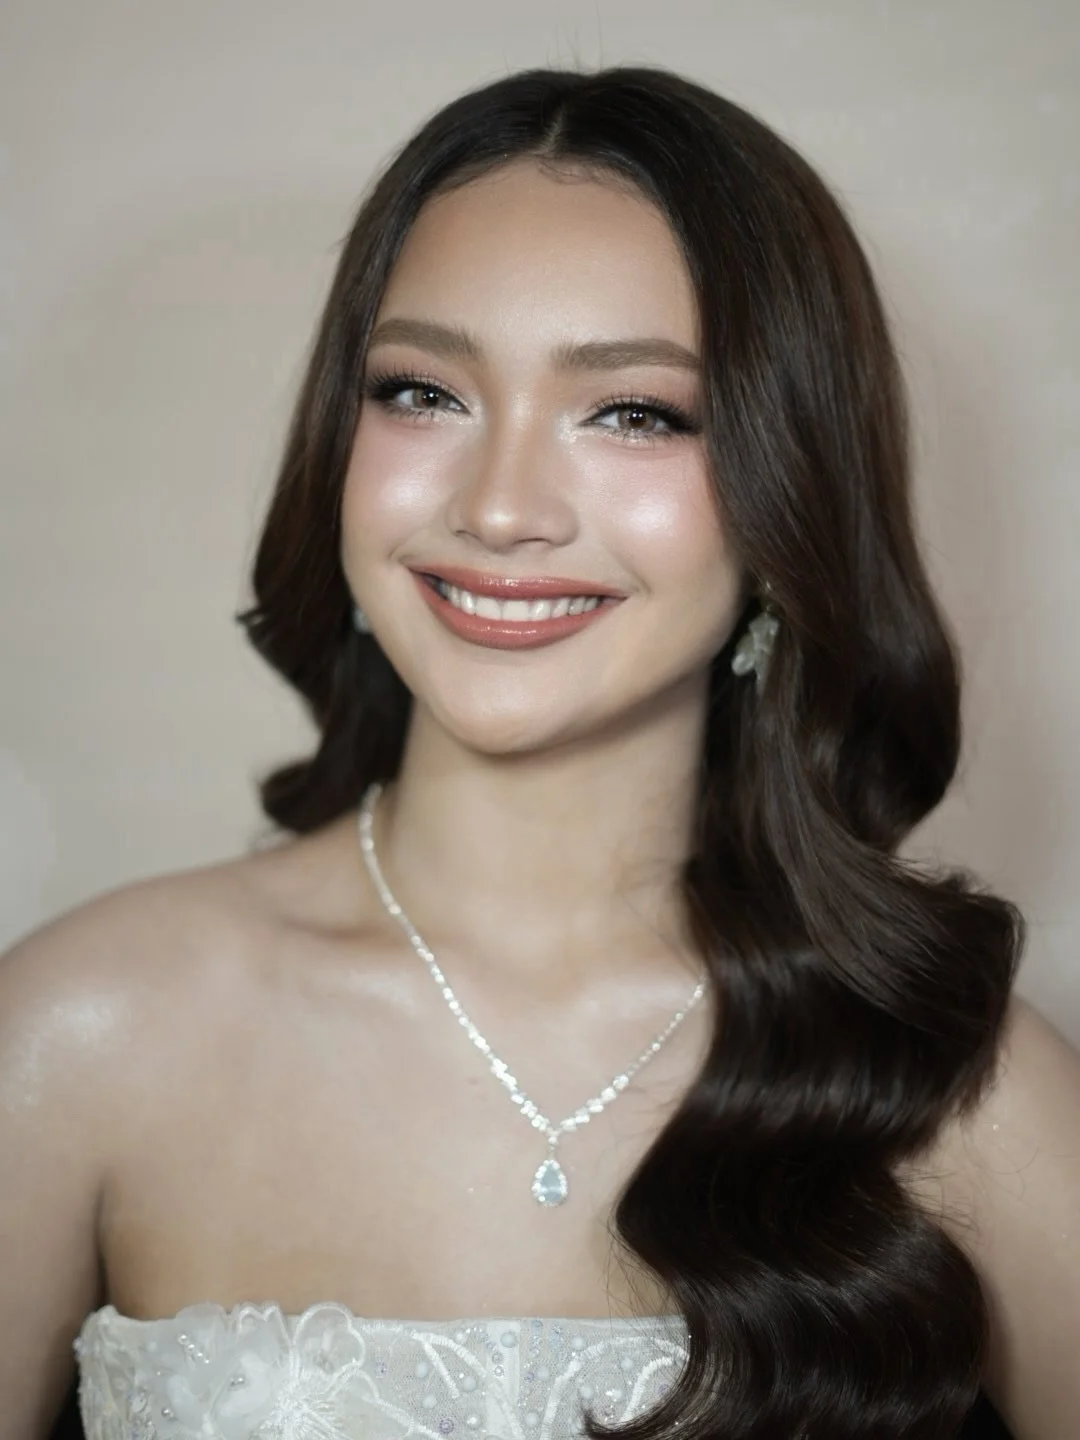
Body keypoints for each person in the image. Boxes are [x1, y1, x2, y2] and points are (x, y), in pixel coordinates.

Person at [2, 64, 1077, 1440]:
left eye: (634, 411)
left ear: (787, 492)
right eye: (422, 392)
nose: (501, 507)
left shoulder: (958, 1091)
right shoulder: (74, 1040)